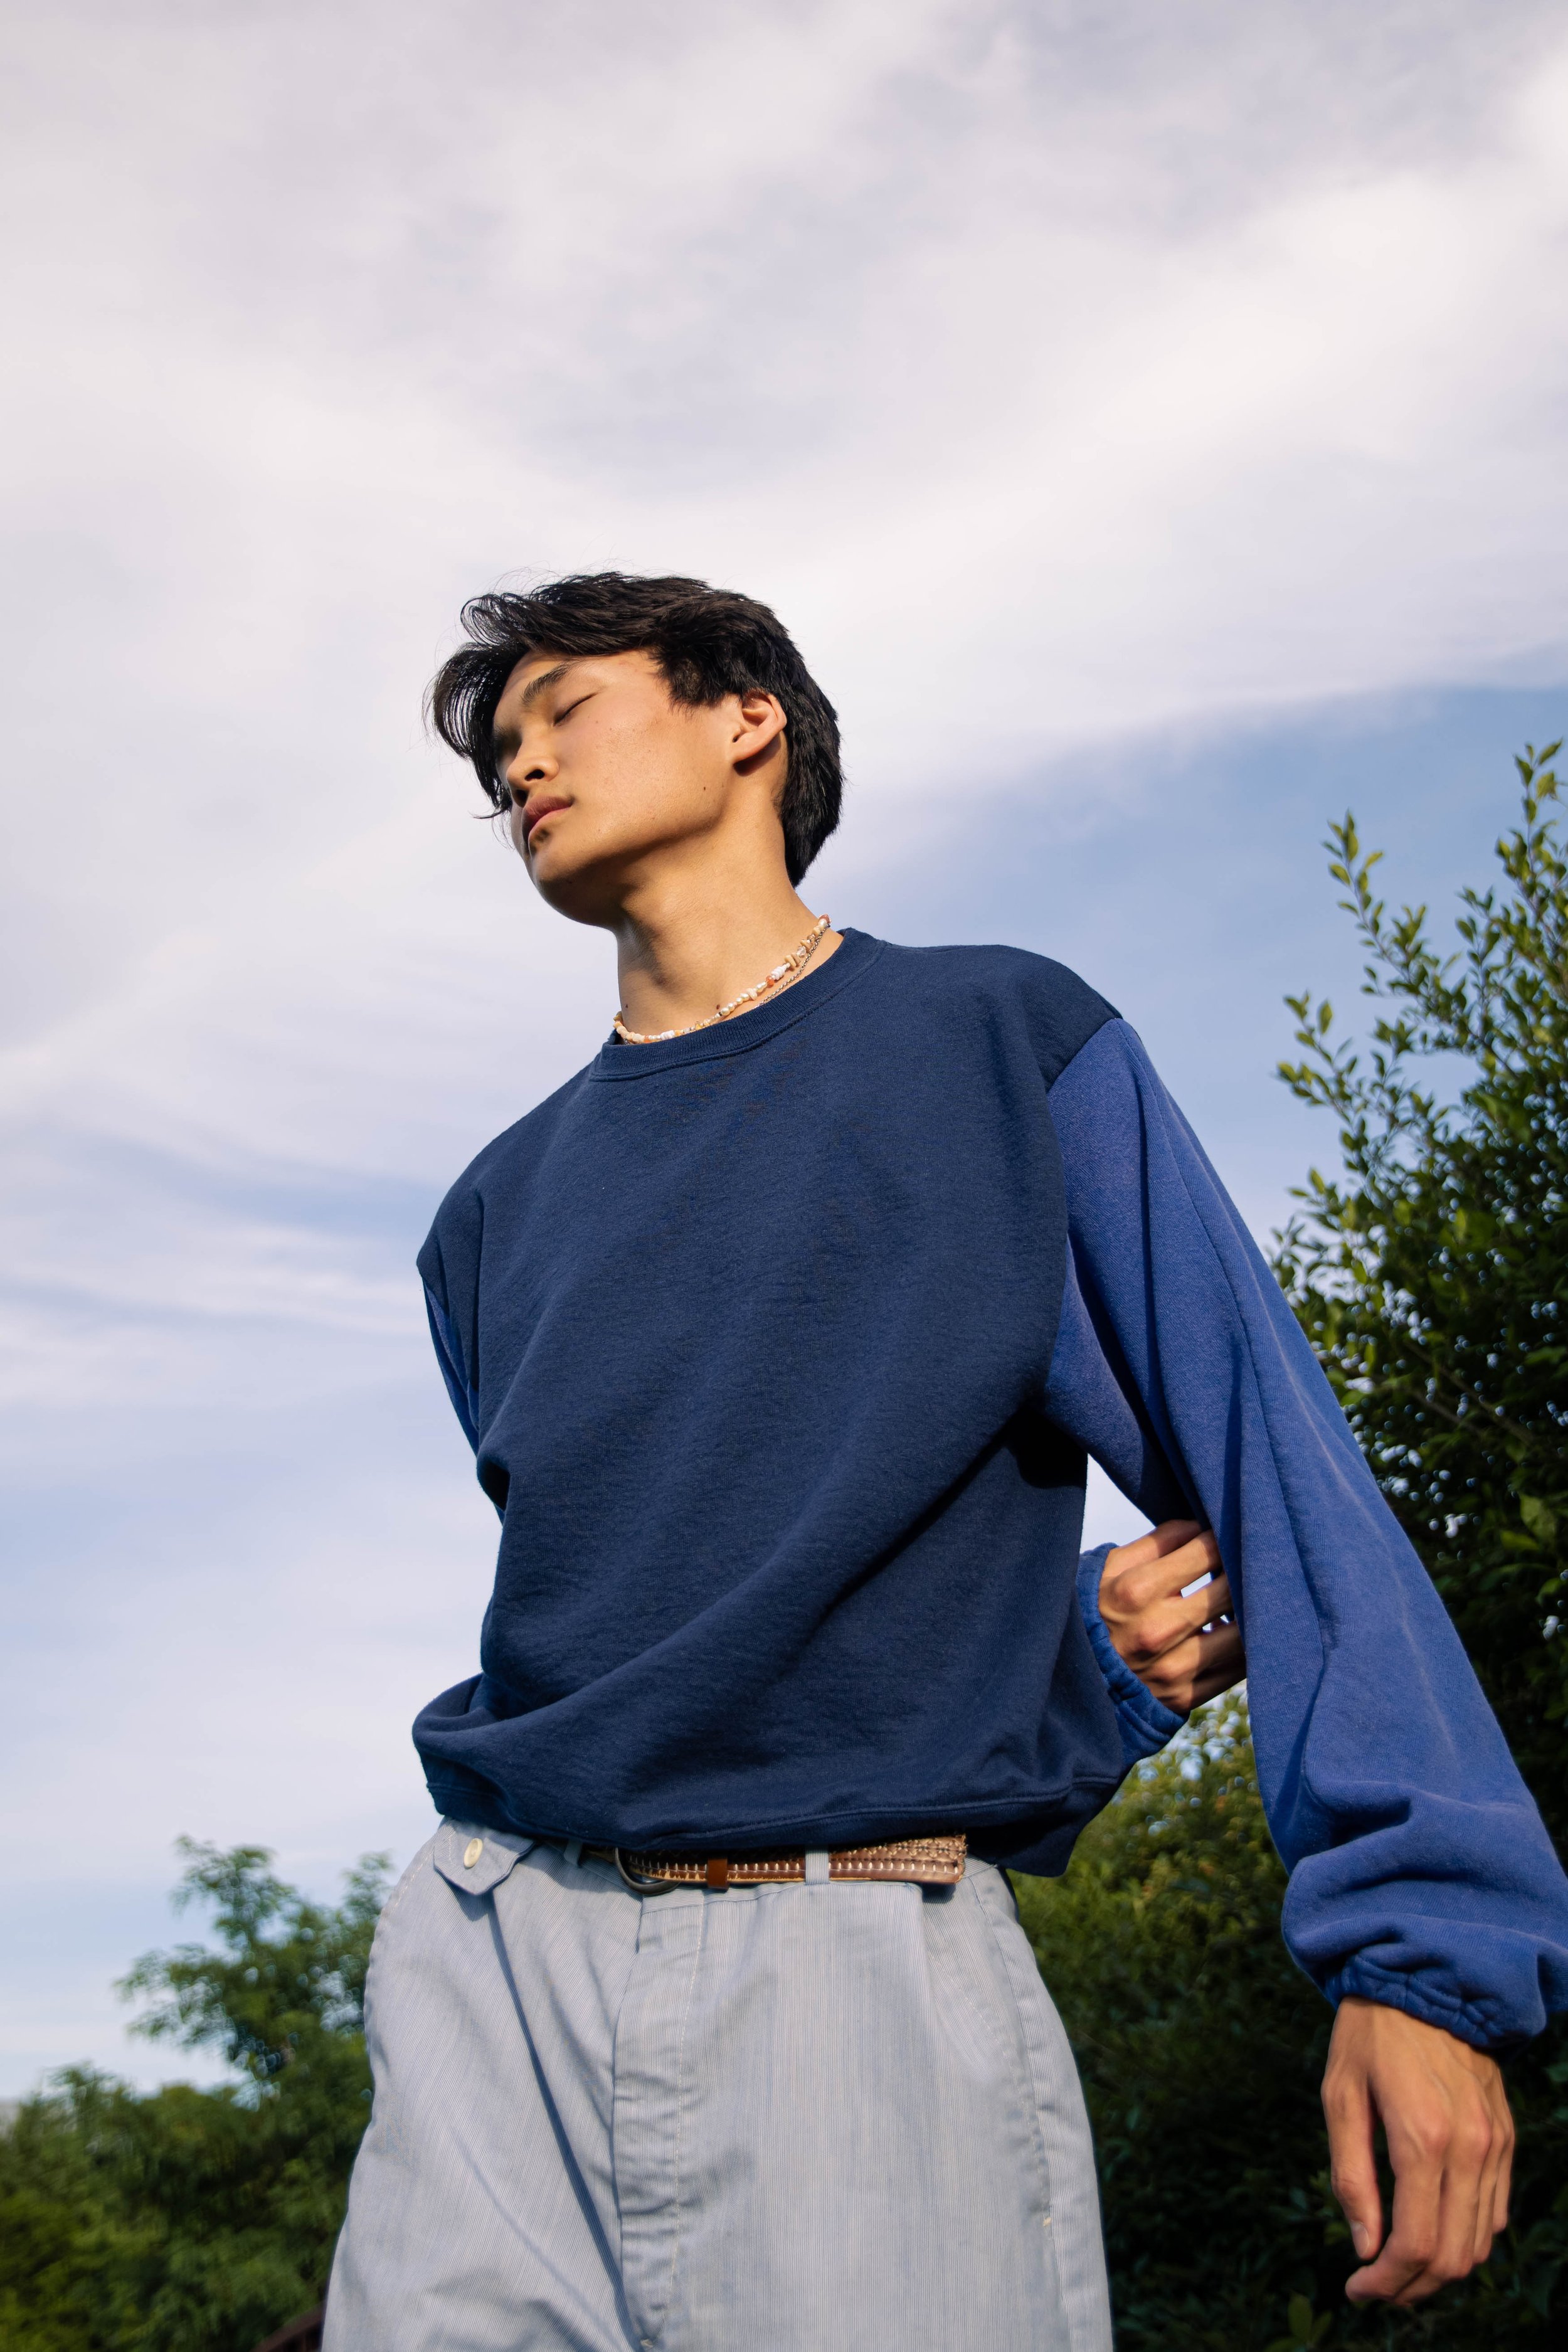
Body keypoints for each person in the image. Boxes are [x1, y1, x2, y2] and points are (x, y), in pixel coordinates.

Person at [324, 575, 1568, 2352]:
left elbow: (1271, 1468)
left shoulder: (998, 1045)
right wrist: (1068, 1667)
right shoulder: (486, 1218)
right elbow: (673, 1615)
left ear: (746, 716)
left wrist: (1421, 1951)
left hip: (843, 1965)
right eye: (497, 756)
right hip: (487, 1969)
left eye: (564, 712)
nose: (521, 769)